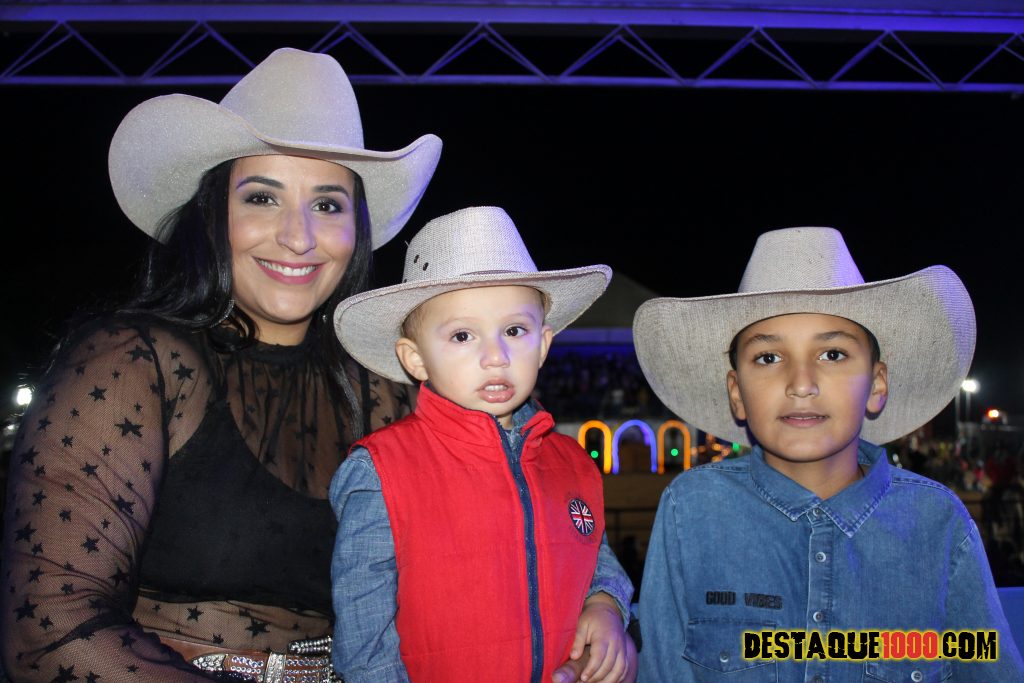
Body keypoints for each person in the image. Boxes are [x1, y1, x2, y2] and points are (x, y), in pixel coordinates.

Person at [0, 48, 442, 681]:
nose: (298, 237)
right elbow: (49, 629)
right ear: (212, 215)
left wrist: (587, 601)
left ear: (357, 230)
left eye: (327, 205)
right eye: (262, 198)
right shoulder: (134, 365)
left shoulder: (389, 391)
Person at [632, 227, 1024, 681]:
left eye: (833, 354)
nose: (801, 384)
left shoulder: (939, 523)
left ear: (877, 384)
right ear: (736, 393)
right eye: (768, 358)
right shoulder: (690, 510)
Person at [329, 206, 637, 682]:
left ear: (543, 344)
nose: (496, 356)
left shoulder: (574, 463)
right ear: (415, 359)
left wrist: (607, 605)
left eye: (514, 331)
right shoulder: (381, 470)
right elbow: (365, 634)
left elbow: (596, 558)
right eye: (462, 335)